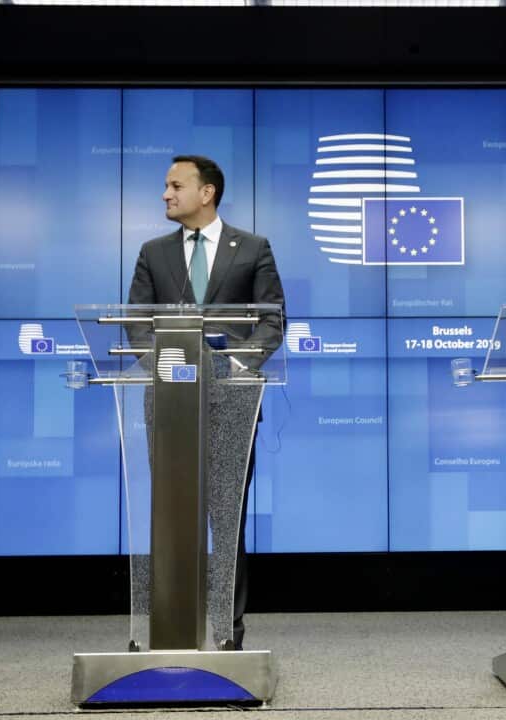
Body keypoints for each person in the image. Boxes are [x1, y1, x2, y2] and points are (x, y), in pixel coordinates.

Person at [127, 154, 285, 650]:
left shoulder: (252, 248)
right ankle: (172, 630)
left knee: (225, 517)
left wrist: (232, 366)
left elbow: (272, 323)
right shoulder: (154, 252)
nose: (166, 194)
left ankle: (227, 633)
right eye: (166, 186)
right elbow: (135, 324)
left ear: (206, 192)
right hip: (169, 402)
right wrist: (169, 365)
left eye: (175, 185)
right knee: (173, 518)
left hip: (233, 401)